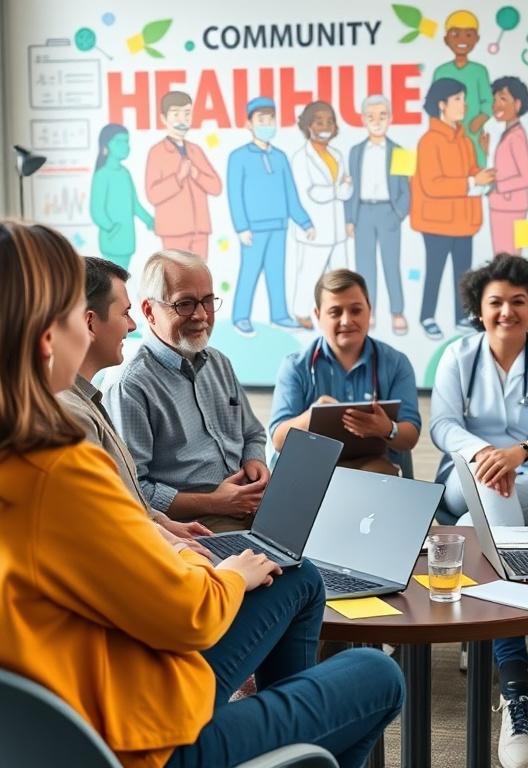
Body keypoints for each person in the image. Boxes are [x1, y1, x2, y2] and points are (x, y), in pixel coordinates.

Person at [0, 219, 404, 768]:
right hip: (143, 738)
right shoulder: (60, 466)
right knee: (376, 674)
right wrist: (226, 570)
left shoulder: (28, 457)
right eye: (81, 314)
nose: (96, 326)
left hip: (81, 702)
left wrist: (188, 542)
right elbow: (186, 616)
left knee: (299, 576)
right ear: (50, 336)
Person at [430, 255, 528, 768]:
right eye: (496, 301)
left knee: (483, 522)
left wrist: (518, 453)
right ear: (479, 308)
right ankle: (515, 687)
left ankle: (506, 673)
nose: (507, 311)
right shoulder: (458, 356)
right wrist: (486, 457)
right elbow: (444, 427)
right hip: (464, 478)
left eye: (518, 301)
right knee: (492, 493)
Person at [102, 249, 270, 533]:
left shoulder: (218, 362)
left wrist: (255, 461)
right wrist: (215, 502)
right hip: (196, 525)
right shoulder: (130, 385)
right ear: (148, 311)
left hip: (253, 504)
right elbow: (135, 492)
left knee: (327, 546)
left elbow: (253, 433)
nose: (202, 315)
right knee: (295, 573)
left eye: (207, 301)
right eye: (185, 304)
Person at [57, 256, 212, 556]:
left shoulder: (86, 399)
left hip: (156, 544)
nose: (131, 326)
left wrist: (161, 522)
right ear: (90, 322)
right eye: (125, 313)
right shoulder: (70, 413)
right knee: (303, 581)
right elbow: (105, 524)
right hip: (142, 566)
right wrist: (179, 550)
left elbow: (120, 499)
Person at [269, 269, 421, 475]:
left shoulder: (395, 363)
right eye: (335, 312)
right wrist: (311, 416)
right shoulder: (295, 366)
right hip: (312, 470)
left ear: (370, 309)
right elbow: (278, 440)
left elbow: (409, 437)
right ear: (318, 315)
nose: (346, 320)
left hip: (375, 470)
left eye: (356, 310)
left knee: (377, 475)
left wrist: (386, 428)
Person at [410, 78, 495, 340]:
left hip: (463, 220)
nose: (464, 105)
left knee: (464, 274)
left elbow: (470, 172)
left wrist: (482, 176)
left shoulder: (465, 140)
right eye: (458, 99)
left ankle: (462, 316)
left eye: (464, 99)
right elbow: (433, 185)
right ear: (442, 105)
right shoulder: (429, 141)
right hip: (436, 222)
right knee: (434, 271)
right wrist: (472, 182)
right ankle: (427, 316)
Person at [227, 96, 314, 335]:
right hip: (253, 229)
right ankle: (241, 317)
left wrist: (304, 221)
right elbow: (234, 195)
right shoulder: (238, 156)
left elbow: (290, 193)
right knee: (249, 272)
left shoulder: (280, 156)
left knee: (277, 272)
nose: (267, 124)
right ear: (249, 124)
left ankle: (280, 315)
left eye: (271, 119)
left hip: (279, 225)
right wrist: (241, 227)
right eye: (261, 119)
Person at [346, 95, 411, 336]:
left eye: (382, 116)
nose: (377, 121)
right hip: (362, 211)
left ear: (390, 119)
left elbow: (406, 190)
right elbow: (350, 189)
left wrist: (399, 214)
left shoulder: (400, 151)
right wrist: (350, 219)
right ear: (363, 120)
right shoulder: (355, 152)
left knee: (391, 264)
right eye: (371, 116)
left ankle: (397, 311)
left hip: (388, 212)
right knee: (364, 266)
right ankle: (368, 310)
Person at [290, 100, 354, 330]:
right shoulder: (301, 158)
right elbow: (310, 192)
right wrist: (339, 190)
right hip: (314, 229)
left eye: (330, 121)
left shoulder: (336, 154)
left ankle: (344, 314)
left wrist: (343, 190)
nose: (325, 126)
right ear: (308, 126)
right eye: (319, 121)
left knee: (343, 275)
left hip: (337, 228)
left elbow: (347, 187)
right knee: (310, 272)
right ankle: (300, 313)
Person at [144, 90, 223, 260]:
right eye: (176, 114)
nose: (182, 120)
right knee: (177, 280)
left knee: (201, 282)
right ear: (164, 118)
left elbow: (216, 186)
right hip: (174, 232)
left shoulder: (196, 150)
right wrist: (178, 178)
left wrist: (196, 174)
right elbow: (153, 194)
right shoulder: (157, 152)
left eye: (187, 114)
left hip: (200, 231)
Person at [90, 123, 154, 270]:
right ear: (106, 145)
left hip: (128, 241)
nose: (125, 146)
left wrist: (150, 221)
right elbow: (96, 210)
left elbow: (135, 205)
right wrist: (111, 228)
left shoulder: (125, 173)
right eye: (119, 141)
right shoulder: (102, 175)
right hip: (112, 242)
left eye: (127, 141)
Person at [432, 9, 492, 167]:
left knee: (475, 171)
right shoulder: (441, 72)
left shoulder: (479, 71)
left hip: (473, 133)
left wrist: (479, 120)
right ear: (446, 39)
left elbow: (488, 102)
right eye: (455, 34)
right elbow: (434, 103)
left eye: (468, 35)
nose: (462, 40)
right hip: (448, 134)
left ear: (476, 39)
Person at [488, 76, 528, 256]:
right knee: (504, 261)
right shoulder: (509, 133)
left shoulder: (516, 136)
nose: (496, 105)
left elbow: (527, 177)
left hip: (510, 208)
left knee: (507, 261)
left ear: (517, 104)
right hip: (503, 206)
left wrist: (498, 186)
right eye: (494, 100)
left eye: (502, 99)